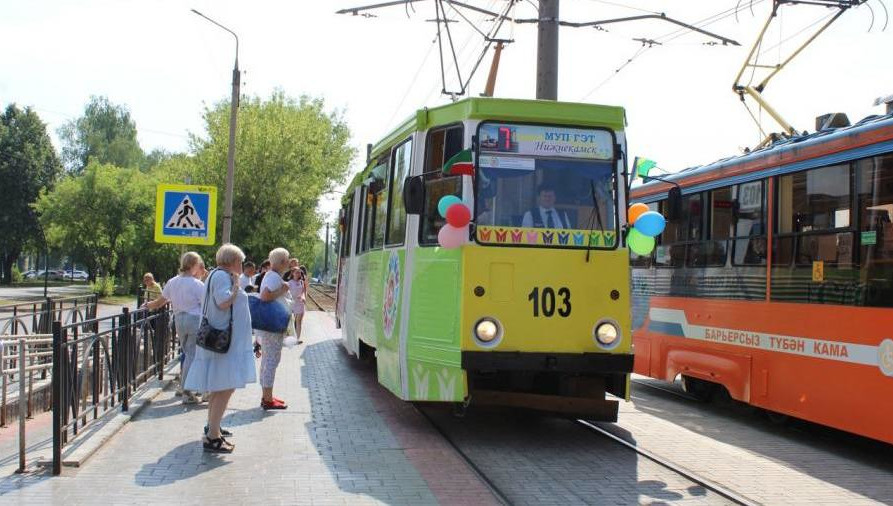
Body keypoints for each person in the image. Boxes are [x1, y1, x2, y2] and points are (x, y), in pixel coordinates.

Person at [184, 243, 256, 453]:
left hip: (225, 343)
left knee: (220, 387)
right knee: (225, 387)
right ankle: (212, 435)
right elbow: (223, 302)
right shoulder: (224, 277)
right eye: (240, 261)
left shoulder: (217, 275)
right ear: (233, 261)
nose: (242, 265)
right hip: (224, 344)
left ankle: (213, 428)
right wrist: (236, 286)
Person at [144, 252, 205, 404]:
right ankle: (187, 390)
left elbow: (160, 301)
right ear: (193, 265)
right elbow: (206, 305)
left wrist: (147, 305)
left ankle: (187, 387)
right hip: (194, 320)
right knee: (192, 355)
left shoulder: (172, 282)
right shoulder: (197, 284)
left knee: (187, 352)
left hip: (179, 320)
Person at [257, 248, 291, 410]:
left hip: (270, 325)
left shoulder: (270, 276)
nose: (289, 263)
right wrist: (282, 290)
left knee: (268, 360)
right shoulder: (274, 278)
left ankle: (267, 395)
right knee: (272, 360)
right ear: (282, 262)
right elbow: (265, 296)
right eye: (287, 260)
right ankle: (267, 399)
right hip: (273, 325)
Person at [285, 259, 307, 344]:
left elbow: (303, 292)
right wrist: (291, 298)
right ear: (293, 273)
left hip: (300, 303)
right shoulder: (289, 282)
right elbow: (286, 293)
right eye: (297, 272)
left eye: (299, 272)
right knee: (290, 322)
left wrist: (303, 297)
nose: (299, 274)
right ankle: (290, 338)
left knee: (299, 321)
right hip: (292, 303)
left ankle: (297, 339)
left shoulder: (302, 282)